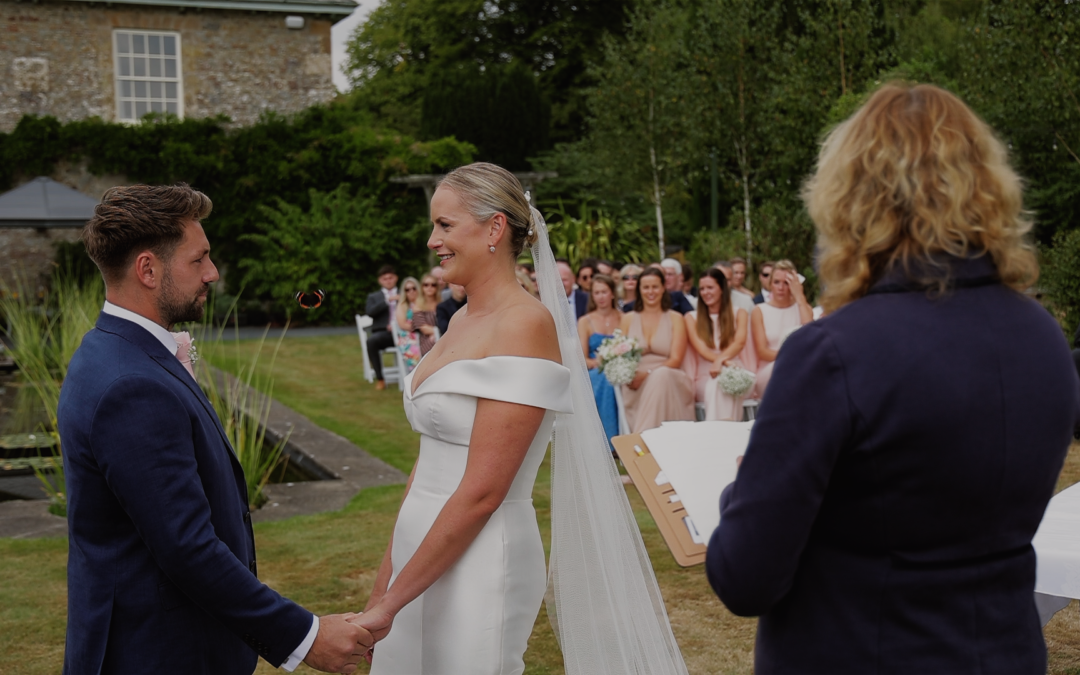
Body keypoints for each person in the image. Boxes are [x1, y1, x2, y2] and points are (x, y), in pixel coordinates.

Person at [707, 83, 1080, 674]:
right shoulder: (1041, 337)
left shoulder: (833, 352)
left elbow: (744, 578)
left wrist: (741, 490)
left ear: (851, 196)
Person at [359, 163, 687, 674]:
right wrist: (385, 583)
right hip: (419, 543)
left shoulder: (526, 325)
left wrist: (392, 600)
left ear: (494, 229)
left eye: (445, 225)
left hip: (482, 552)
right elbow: (427, 467)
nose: (431, 240)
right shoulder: (461, 319)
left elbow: (484, 492)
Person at [57, 184, 372, 674]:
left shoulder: (112, 350)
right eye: (198, 259)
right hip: (156, 654)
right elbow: (187, 548)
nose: (213, 273)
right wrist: (305, 637)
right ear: (148, 269)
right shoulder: (130, 385)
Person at [619, 267, 695, 433]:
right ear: (639, 290)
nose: (650, 292)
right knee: (657, 378)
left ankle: (641, 439)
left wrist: (649, 374)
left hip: (671, 377)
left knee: (661, 376)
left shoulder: (676, 318)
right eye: (646, 287)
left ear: (663, 288)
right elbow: (619, 356)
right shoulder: (627, 319)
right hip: (635, 383)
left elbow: (676, 359)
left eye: (655, 287)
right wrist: (629, 375)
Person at [683, 268, 748, 421]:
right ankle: (724, 433)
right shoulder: (691, 318)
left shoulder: (740, 313)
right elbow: (701, 349)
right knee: (718, 384)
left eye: (710, 287)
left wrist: (721, 361)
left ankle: (716, 433)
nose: (705, 292)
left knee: (725, 383)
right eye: (702, 289)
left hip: (736, 370)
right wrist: (721, 362)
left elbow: (739, 343)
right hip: (706, 375)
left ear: (722, 289)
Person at [750, 259, 812, 399]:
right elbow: (762, 351)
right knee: (781, 369)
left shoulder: (803, 308)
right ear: (770, 283)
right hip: (769, 369)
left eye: (786, 283)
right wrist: (789, 357)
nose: (781, 287)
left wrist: (800, 297)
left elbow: (811, 336)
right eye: (776, 282)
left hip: (800, 368)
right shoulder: (759, 310)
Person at [578, 274, 621, 444]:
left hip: (621, 368)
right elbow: (582, 357)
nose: (601, 297)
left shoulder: (624, 318)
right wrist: (598, 363)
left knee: (610, 378)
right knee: (603, 378)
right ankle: (607, 441)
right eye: (596, 293)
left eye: (604, 292)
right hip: (595, 370)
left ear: (612, 293)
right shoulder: (585, 321)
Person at [365, 265, 399, 390]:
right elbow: (370, 312)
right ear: (380, 280)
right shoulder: (374, 297)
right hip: (384, 333)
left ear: (396, 278)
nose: (388, 281)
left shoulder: (405, 292)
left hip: (404, 331)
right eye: (385, 279)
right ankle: (380, 379)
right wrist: (387, 300)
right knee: (371, 341)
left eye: (390, 278)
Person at [393, 277, 424, 373]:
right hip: (408, 336)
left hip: (423, 333)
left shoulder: (424, 303)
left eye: (414, 288)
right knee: (414, 348)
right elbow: (402, 324)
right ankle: (416, 374)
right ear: (404, 292)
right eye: (407, 289)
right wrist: (420, 328)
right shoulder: (402, 305)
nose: (411, 291)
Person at [414, 274, 440, 355]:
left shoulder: (442, 304)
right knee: (433, 344)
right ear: (422, 287)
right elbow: (423, 328)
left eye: (433, 285)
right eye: (426, 285)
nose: (429, 287)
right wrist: (437, 332)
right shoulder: (417, 305)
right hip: (426, 339)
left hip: (443, 336)